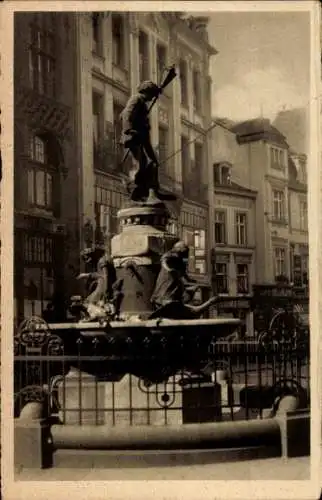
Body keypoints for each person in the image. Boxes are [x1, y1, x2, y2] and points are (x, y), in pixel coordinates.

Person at [120, 81, 176, 202]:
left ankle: (153, 191)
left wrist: (152, 155)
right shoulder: (136, 99)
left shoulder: (143, 105)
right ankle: (136, 190)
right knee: (143, 163)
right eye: (152, 94)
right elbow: (126, 114)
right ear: (147, 92)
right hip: (132, 137)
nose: (152, 98)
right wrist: (129, 130)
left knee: (152, 163)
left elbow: (145, 137)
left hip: (140, 139)